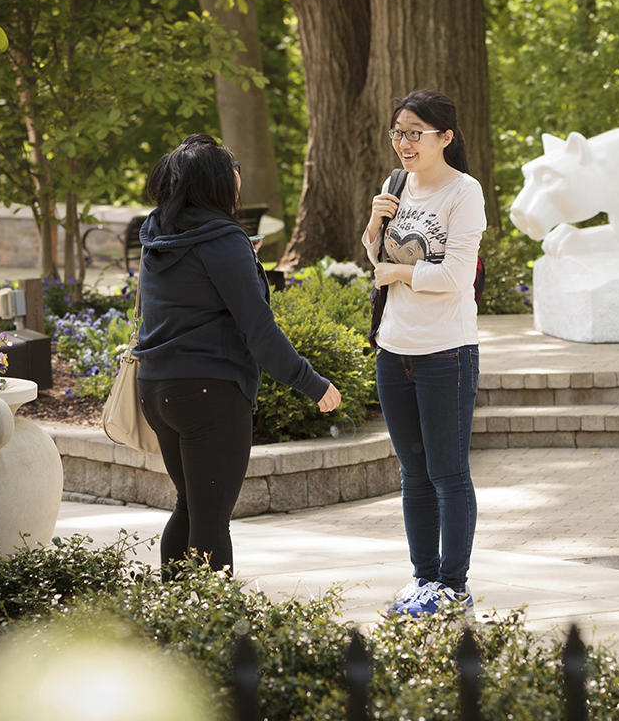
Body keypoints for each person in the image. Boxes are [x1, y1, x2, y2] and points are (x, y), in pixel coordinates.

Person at [136, 133, 341, 580]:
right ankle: (212, 632)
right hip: (210, 392)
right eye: (231, 171)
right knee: (211, 518)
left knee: (191, 505)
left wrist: (240, 259)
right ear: (214, 184)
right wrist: (314, 384)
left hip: (158, 388)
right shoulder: (222, 241)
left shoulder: (159, 233)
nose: (237, 179)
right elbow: (259, 331)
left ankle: (170, 617)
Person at [362, 90, 487, 616]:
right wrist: (374, 225)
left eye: (415, 132)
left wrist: (398, 274)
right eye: (397, 133)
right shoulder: (395, 186)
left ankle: (453, 586)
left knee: (448, 473)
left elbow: (457, 275)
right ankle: (424, 580)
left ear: (445, 137)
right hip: (394, 349)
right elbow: (375, 256)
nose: (404, 143)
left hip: (446, 353)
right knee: (412, 474)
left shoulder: (464, 192)